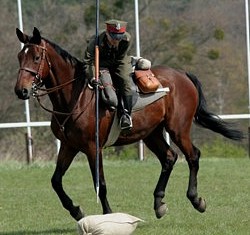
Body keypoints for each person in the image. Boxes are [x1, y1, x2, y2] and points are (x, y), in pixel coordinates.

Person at [83, 19, 134, 131]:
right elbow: (88, 61)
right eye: (114, 37)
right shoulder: (95, 41)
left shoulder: (126, 39)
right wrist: (92, 77)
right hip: (100, 64)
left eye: (119, 37)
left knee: (126, 81)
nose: (116, 40)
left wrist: (116, 71)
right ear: (107, 33)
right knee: (109, 94)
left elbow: (120, 57)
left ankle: (126, 115)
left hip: (119, 61)